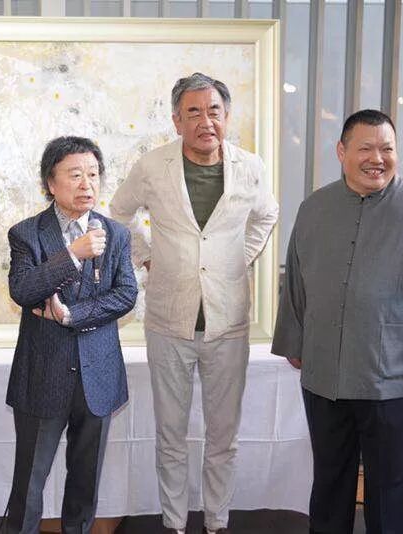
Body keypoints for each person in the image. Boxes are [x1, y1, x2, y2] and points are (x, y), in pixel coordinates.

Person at [272, 108, 403, 533]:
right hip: (324, 375)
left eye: (387, 149)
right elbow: (296, 281)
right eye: (365, 148)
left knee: (389, 488)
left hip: (392, 377)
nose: (377, 158)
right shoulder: (314, 208)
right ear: (341, 152)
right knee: (329, 481)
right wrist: (293, 340)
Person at [110, 72, 278, 534]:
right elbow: (120, 211)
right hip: (169, 321)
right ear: (176, 120)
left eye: (214, 111)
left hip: (228, 322)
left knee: (223, 436)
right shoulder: (153, 166)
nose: (206, 121)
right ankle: (174, 522)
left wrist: (241, 257)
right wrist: (146, 256)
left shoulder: (250, 166)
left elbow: (267, 215)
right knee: (171, 434)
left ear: (227, 115)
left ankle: (217, 522)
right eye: (194, 112)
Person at [4, 136, 137, 534]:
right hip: (42, 375)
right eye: (75, 175)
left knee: (85, 483)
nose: (87, 184)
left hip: (98, 375)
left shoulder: (116, 234)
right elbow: (23, 290)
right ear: (51, 182)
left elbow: (126, 294)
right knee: (29, 482)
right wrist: (73, 253)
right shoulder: (26, 234)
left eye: (93, 174)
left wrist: (71, 315)